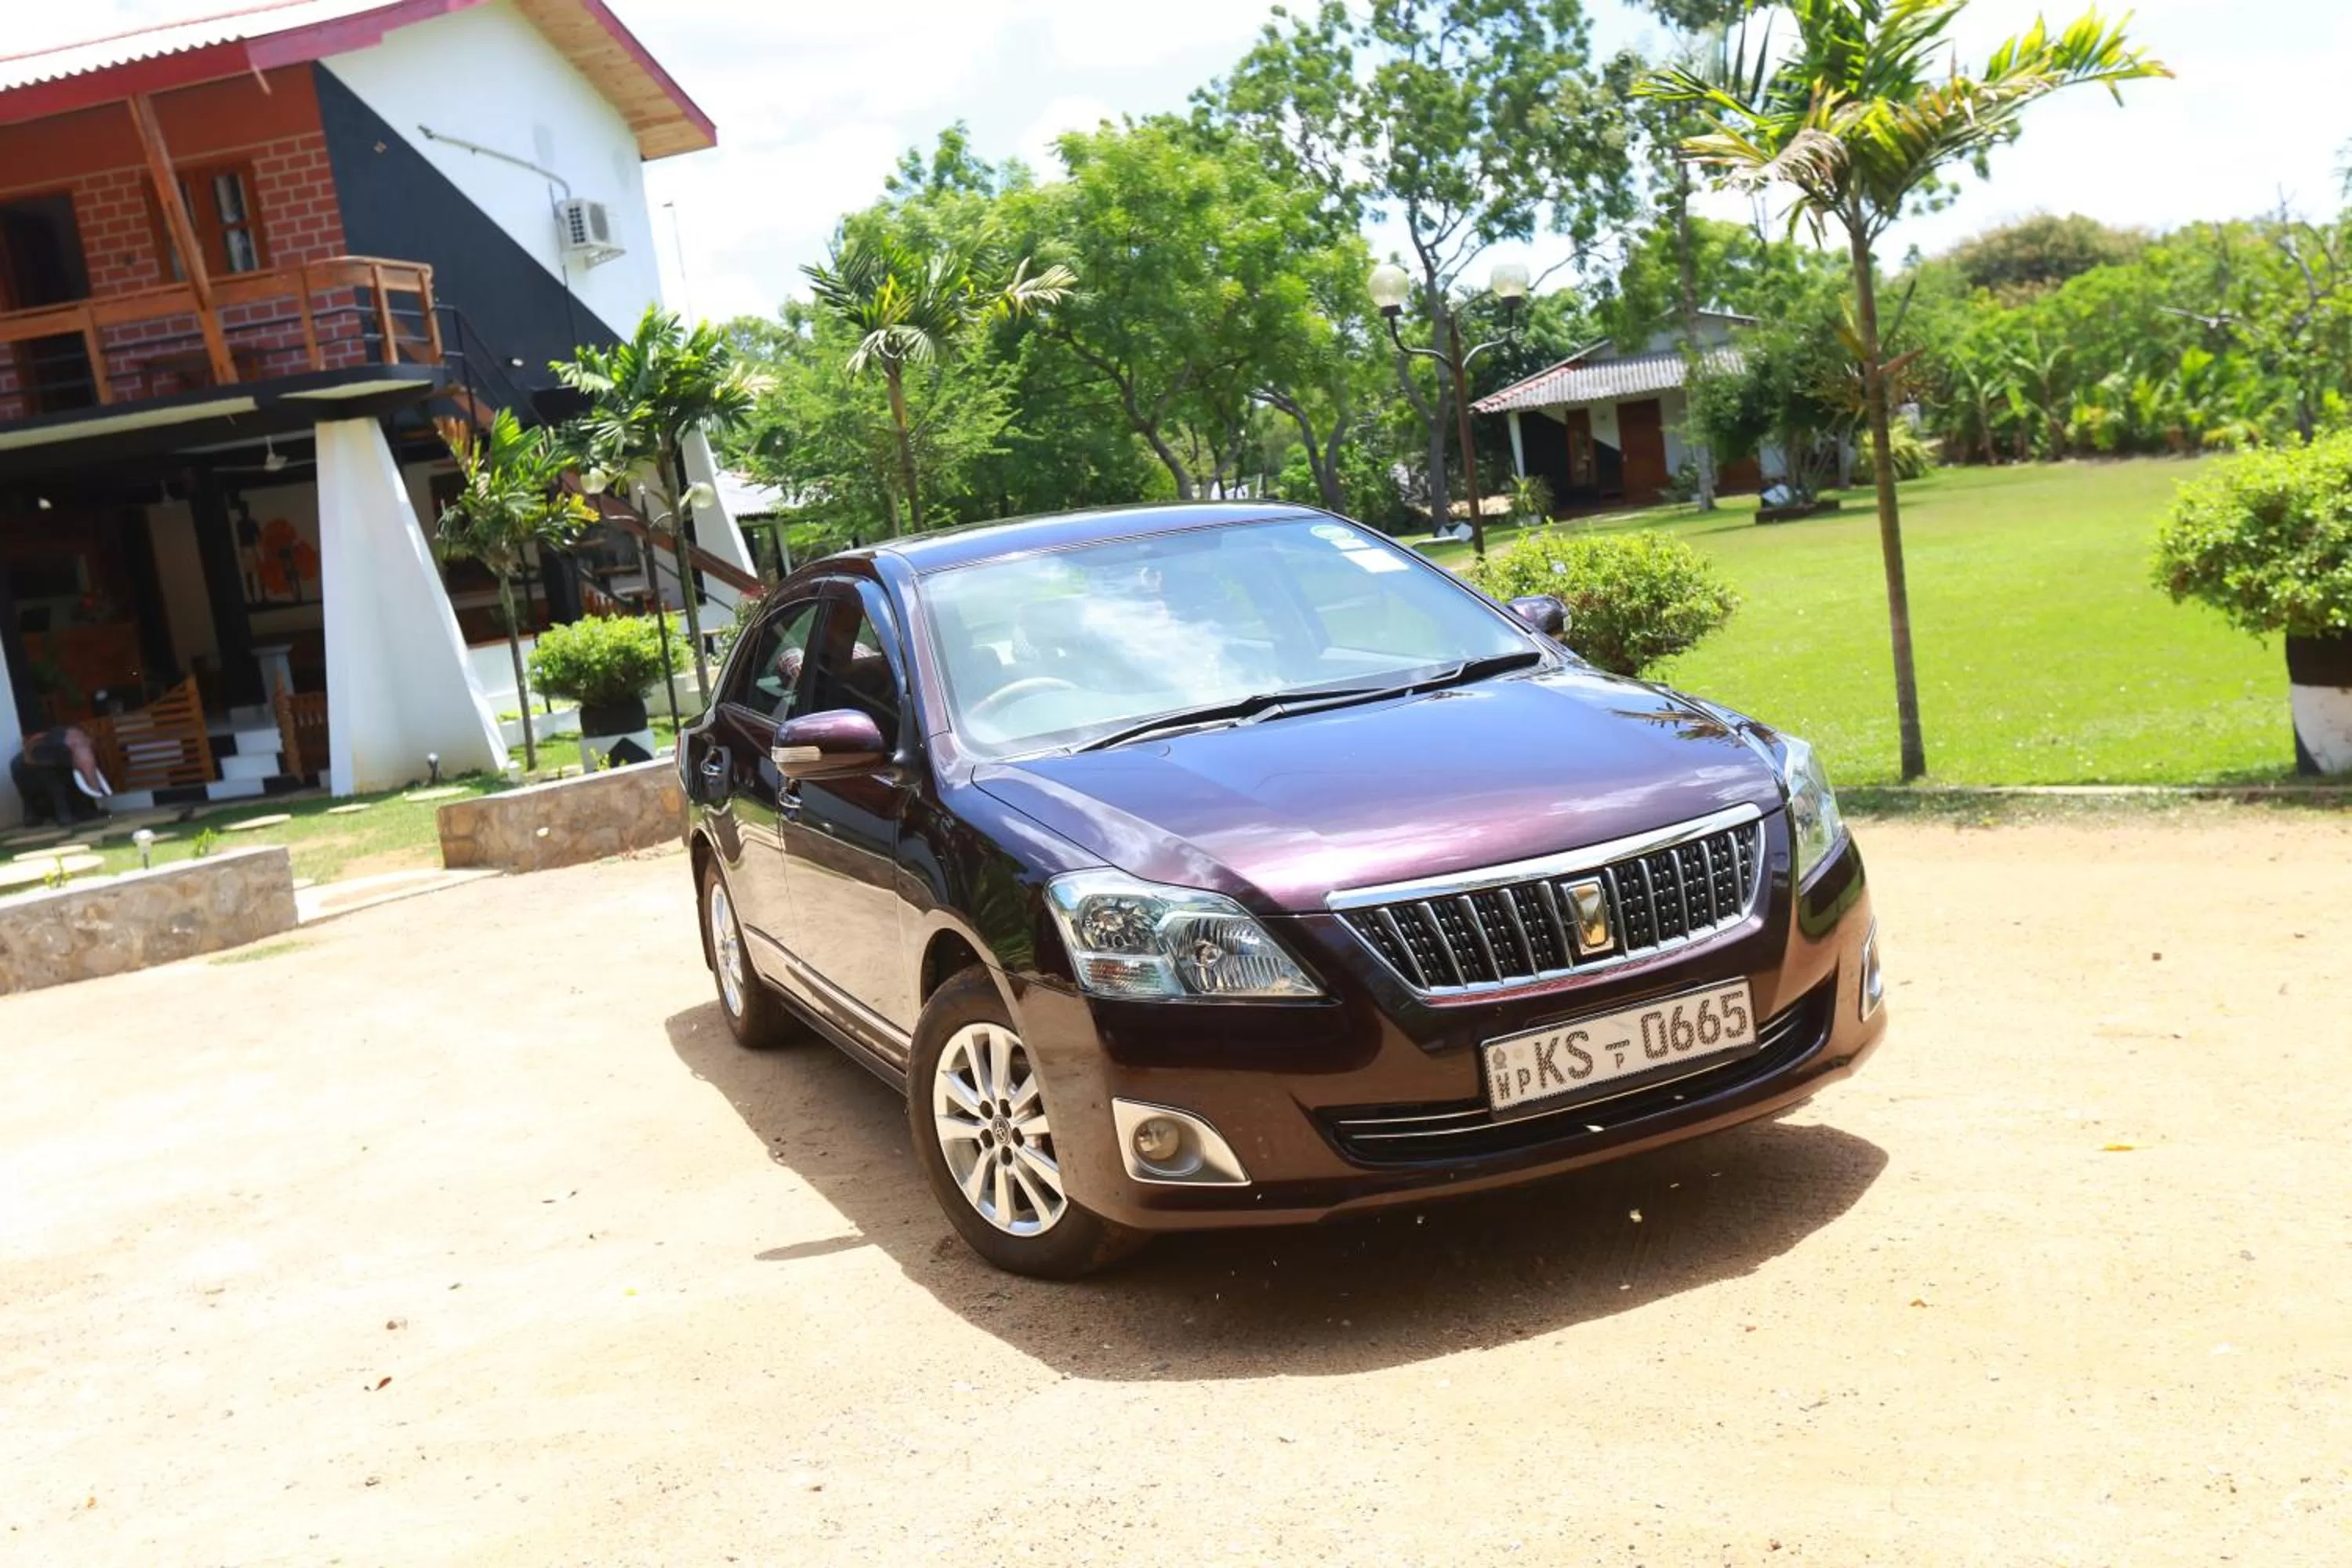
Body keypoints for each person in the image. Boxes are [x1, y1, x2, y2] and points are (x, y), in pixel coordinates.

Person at [9, 725, 107, 826]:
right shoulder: (42, 760)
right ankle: (59, 815)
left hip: (63, 765)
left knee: (74, 787)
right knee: (56, 790)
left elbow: (79, 787)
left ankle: (86, 811)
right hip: (31, 773)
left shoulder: (66, 763)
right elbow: (57, 792)